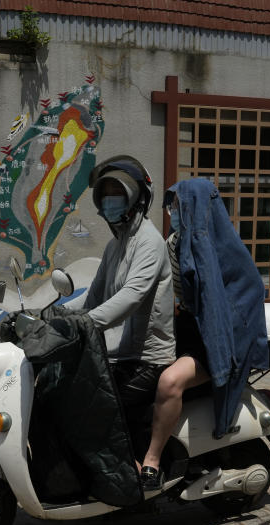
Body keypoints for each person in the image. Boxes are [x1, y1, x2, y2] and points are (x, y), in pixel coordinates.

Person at [141, 178, 269, 488]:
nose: (173, 212)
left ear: (197, 209)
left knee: (169, 382)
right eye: (171, 206)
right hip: (184, 336)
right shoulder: (176, 244)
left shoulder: (217, 255)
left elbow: (225, 314)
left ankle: (152, 460)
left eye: (179, 205)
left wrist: (222, 353)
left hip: (217, 345)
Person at [82, 156, 176, 490]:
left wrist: (86, 323)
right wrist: (54, 315)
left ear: (136, 198)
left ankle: (136, 475)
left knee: (102, 408)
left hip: (145, 357)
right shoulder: (115, 245)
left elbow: (133, 295)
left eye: (117, 193)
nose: (109, 200)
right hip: (117, 353)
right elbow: (94, 295)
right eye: (105, 194)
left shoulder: (149, 241)